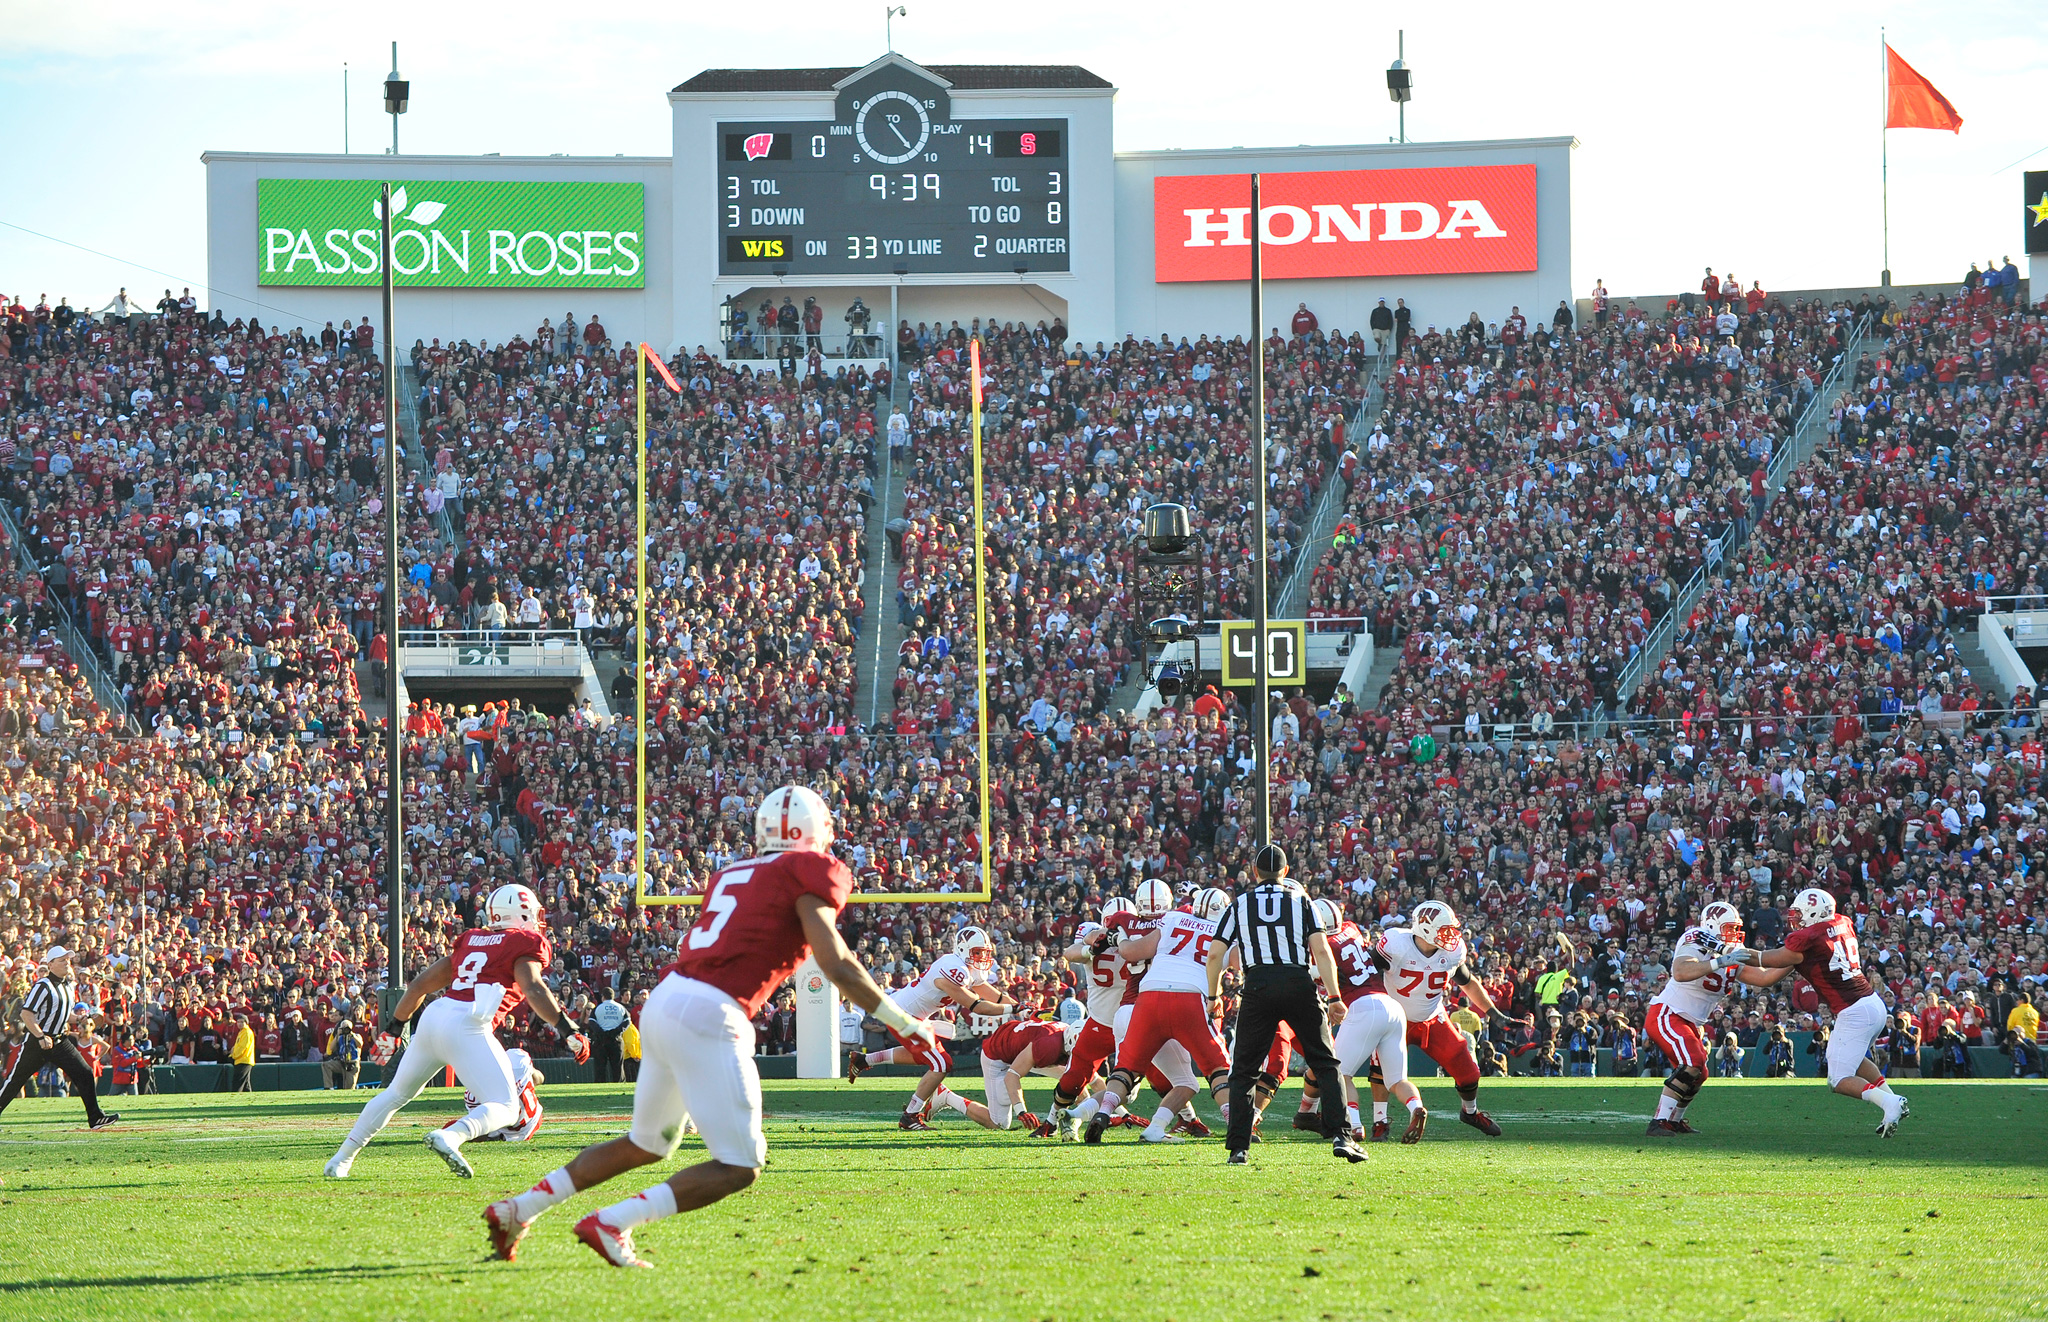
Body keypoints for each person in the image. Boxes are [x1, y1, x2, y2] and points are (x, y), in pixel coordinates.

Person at [482, 785, 938, 1269]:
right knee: (741, 1164)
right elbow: (836, 962)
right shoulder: (808, 869)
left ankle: (519, 1209)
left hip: (666, 1001)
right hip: (713, 1011)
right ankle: (612, 1221)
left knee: (647, 1143)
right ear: (816, 830)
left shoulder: (733, 873)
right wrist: (904, 1021)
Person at [324, 883, 591, 1179]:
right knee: (505, 1106)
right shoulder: (523, 942)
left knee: (395, 1094)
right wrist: (568, 1028)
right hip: (468, 1025)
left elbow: (419, 986)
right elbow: (533, 987)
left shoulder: (472, 939)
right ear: (522, 914)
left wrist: (394, 1028)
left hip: (435, 1016)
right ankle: (451, 1136)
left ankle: (341, 1160)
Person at [1199, 848, 1357, 1163]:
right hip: (1298, 982)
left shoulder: (1240, 904)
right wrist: (1336, 997)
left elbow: (1215, 954)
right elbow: (1322, 952)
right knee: (1326, 1063)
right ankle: (1342, 1136)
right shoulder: (1303, 902)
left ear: (1255, 872)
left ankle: (1239, 1148)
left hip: (1257, 985)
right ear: (1285, 872)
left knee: (1244, 1070)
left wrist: (1214, 996)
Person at [1716, 888, 1910, 1136]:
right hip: (1872, 1004)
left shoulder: (1807, 941)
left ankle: (1889, 1103)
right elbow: (1769, 974)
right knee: (1854, 1058)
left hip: (1854, 1010)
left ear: (1814, 913)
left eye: (1800, 914)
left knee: (1837, 1080)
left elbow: (1765, 958)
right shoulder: (1840, 924)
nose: (1795, 920)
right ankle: (1893, 1100)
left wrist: (1725, 952)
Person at [1079, 884, 1237, 1148]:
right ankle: (1235, 1123)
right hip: (1190, 997)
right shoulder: (1223, 931)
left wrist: (1119, 940)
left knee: (1126, 1068)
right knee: (1217, 1067)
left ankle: (1104, 1113)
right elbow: (1237, 959)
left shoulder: (1173, 919)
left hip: (1150, 995)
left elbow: (1132, 952)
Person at [1366, 901, 1516, 1139]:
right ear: (1426, 928)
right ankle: (1380, 1122)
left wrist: (1492, 1013)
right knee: (1381, 1071)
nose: (1452, 935)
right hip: (1395, 1018)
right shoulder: (1396, 944)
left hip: (1433, 1017)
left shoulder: (1452, 952)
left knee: (1469, 1071)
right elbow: (1365, 973)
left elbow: (1468, 983)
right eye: (1445, 929)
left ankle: (1470, 1112)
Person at [1642, 902, 1792, 1135]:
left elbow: (1764, 978)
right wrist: (1720, 960)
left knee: (1700, 1072)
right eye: (1730, 928)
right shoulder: (1696, 938)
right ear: (1713, 925)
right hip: (1668, 1013)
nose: (1735, 934)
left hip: (1690, 1022)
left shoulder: (1732, 950)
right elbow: (1681, 972)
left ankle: (1674, 1120)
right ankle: (1659, 1121)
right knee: (1692, 1062)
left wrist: (1794, 962)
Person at [844, 925, 1011, 1130]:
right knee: (941, 1064)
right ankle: (910, 1116)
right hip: (904, 1015)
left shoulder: (963, 967)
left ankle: (864, 1060)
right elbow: (978, 1006)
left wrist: (1020, 1007)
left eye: (984, 953)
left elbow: (989, 992)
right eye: (977, 953)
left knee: (923, 1055)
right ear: (962, 949)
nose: (981, 957)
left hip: (915, 1015)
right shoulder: (954, 970)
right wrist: (1013, 1009)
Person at [1323, 903, 1425, 1143]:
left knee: (1341, 1074)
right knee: (1397, 1080)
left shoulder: (1321, 944)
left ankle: (1355, 1125)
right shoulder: (1350, 928)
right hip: (1391, 1006)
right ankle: (1416, 1108)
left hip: (1362, 1007)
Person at [0, 947, 118, 1129]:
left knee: (85, 1073)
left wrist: (79, 1018)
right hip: (38, 1042)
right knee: (16, 1080)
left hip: (60, 1041)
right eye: (62, 960)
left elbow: (64, 1015)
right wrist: (40, 1036)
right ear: (50, 964)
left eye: (68, 959)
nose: (67, 963)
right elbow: (26, 1014)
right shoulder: (43, 985)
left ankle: (95, 1118)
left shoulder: (67, 986)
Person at [589, 987, 630, 1084]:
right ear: (614, 996)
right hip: (616, 1040)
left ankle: (599, 1086)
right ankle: (619, 1087)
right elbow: (627, 1022)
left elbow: (591, 1022)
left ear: (603, 997)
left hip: (601, 1040)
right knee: (618, 1067)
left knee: (600, 1067)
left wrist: (602, 1033)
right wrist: (615, 1032)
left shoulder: (598, 1008)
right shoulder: (621, 1008)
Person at [323, 1016, 362, 1090]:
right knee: (326, 1065)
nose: (345, 1029)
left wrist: (351, 1034)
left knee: (349, 1088)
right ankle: (329, 1087)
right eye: (343, 1027)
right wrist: (337, 1035)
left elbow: (360, 1044)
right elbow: (331, 1048)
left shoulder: (356, 1036)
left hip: (352, 1063)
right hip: (341, 1062)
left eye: (346, 1027)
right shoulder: (339, 1038)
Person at [228, 1015, 255, 1093]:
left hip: (243, 1060)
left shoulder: (246, 1032)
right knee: (246, 1084)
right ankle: (249, 1100)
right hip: (242, 1060)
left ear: (246, 1023)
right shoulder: (242, 1032)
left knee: (237, 1083)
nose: (240, 1024)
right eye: (238, 1022)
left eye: (242, 1022)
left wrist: (233, 1056)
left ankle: (235, 1099)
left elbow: (242, 1047)